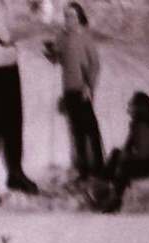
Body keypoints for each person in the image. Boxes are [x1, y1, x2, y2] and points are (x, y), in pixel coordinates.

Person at [0, 0, 40, 204]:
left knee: (14, 121)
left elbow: (16, 28)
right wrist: (31, 26)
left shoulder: (4, 5)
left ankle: (15, 173)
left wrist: (31, 16)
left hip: (8, 65)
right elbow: (6, 36)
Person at [46, 2, 104, 179]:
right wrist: (50, 53)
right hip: (68, 89)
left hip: (83, 89)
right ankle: (84, 170)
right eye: (66, 16)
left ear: (79, 17)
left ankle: (99, 168)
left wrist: (89, 86)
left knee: (90, 129)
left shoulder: (85, 36)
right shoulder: (61, 37)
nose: (68, 19)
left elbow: (95, 64)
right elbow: (57, 59)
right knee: (77, 130)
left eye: (72, 15)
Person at [91, 91, 149, 212]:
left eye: (132, 105)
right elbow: (128, 148)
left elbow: (148, 152)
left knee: (125, 165)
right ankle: (101, 186)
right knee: (116, 154)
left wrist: (128, 156)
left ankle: (115, 199)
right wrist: (124, 155)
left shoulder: (143, 126)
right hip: (146, 160)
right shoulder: (136, 126)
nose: (129, 108)